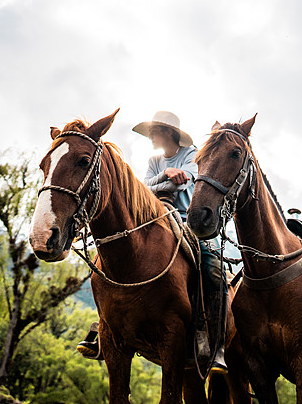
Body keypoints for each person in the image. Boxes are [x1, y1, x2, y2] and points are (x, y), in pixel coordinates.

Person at [77, 111, 228, 373]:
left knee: (213, 268)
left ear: (169, 132)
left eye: (153, 131)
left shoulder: (192, 155)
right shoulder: (155, 160)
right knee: (112, 259)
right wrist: (165, 175)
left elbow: (178, 186)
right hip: (154, 219)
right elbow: (142, 188)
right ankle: (105, 329)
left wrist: (164, 181)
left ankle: (214, 340)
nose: (150, 136)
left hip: (188, 222)